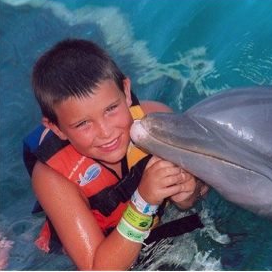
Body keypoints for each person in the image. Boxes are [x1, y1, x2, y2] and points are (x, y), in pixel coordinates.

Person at [23, 38, 209, 270]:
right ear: (57, 128)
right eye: (83, 124)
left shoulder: (156, 122)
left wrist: (190, 192)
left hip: (154, 236)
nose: (105, 132)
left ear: (126, 91)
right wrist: (143, 202)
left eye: (111, 109)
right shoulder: (51, 180)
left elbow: (200, 189)